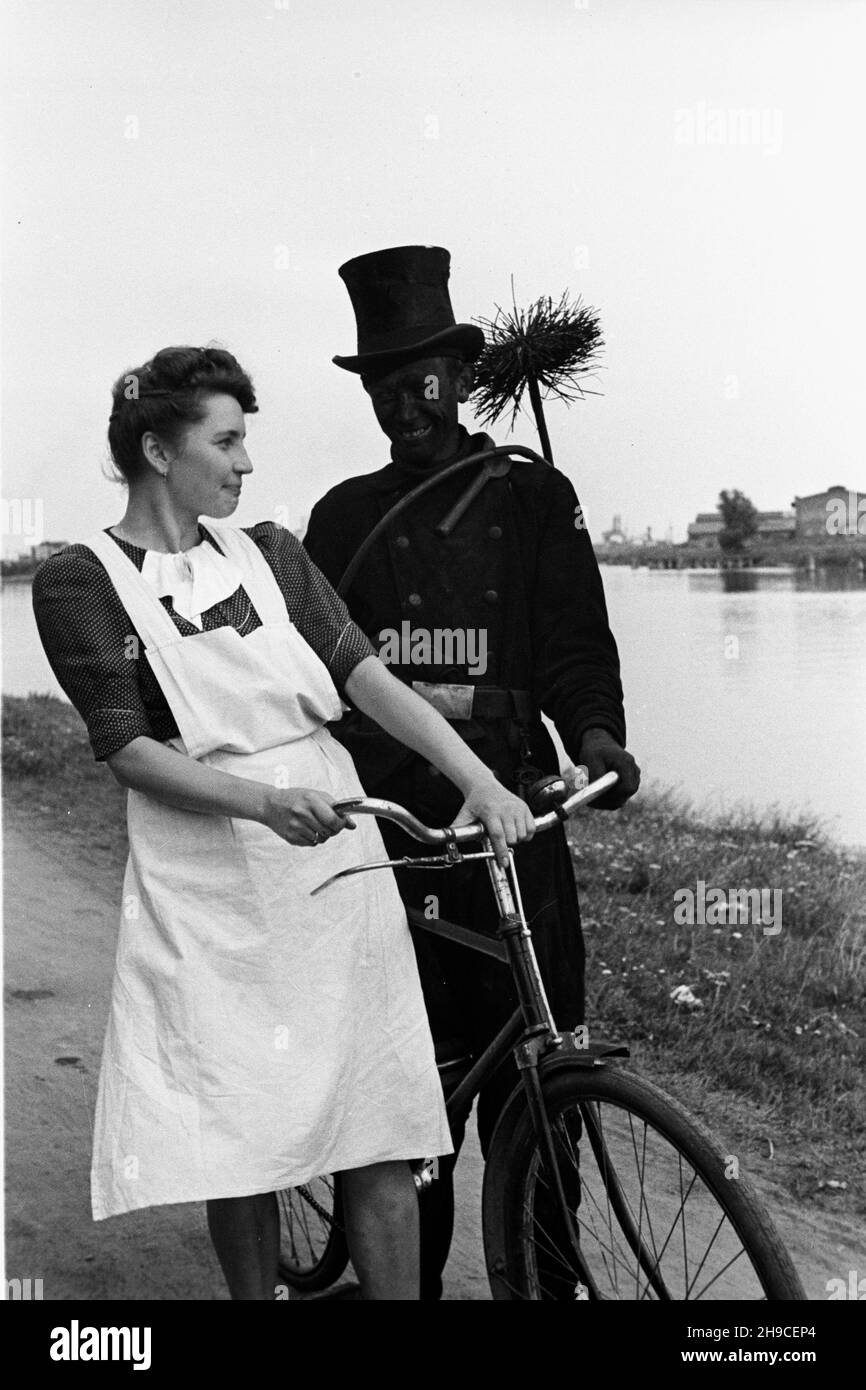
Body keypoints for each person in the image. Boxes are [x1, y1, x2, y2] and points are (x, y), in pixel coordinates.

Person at [31, 344, 536, 1302]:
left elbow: (371, 682)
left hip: (334, 866)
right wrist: (263, 802)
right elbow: (129, 749)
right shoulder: (80, 583)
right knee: (247, 1134)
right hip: (211, 878)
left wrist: (477, 779)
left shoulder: (271, 554)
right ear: (157, 448)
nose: (245, 463)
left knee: (378, 1125)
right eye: (226, 441)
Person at [303, 246, 641, 1298]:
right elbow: (319, 676)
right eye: (382, 388)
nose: (405, 404)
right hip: (396, 827)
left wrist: (594, 736)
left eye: (422, 382)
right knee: (416, 1096)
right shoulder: (342, 517)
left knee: (544, 1077)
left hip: (514, 814)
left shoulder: (534, 498)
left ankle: (541, 1277)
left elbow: (576, 644)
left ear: (462, 377)